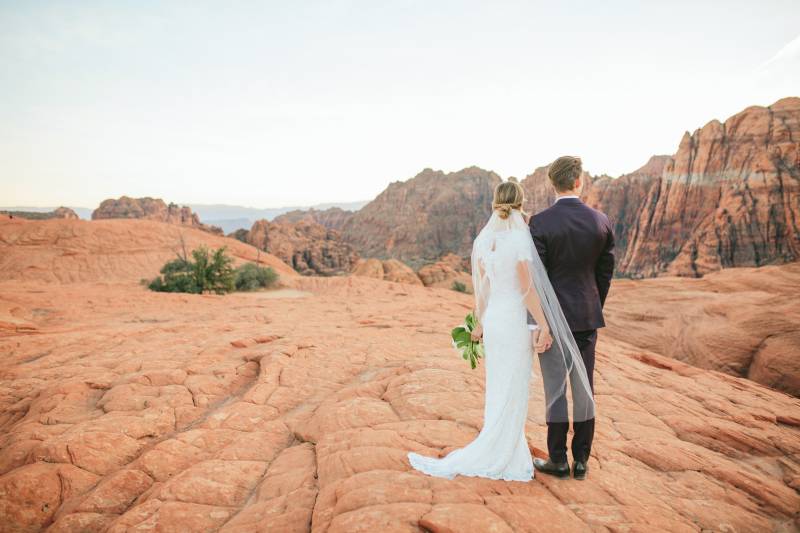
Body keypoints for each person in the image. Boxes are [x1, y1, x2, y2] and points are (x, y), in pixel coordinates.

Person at [407, 180, 595, 481]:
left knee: (498, 385)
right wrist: (544, 324)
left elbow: (483, 290)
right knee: (514, 385)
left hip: (495, 319)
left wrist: (479, 323)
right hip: (513, 322)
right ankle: (505, 453)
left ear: (496, 203)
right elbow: (526, 288)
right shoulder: (519, 238)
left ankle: (498, 444)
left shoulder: (484, 240)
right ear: (520, 202)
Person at [529, 155, 614, 480]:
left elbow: (537, 278)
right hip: (586, 318)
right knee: (584, 387)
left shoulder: (540, 222)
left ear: (553, 183)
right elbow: (605, 272)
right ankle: (581, 461)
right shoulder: (600, 221)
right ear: (579, 182)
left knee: (555, 389)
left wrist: (541, 323)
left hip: (552, 320)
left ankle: (557, 460)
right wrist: (593, 304)